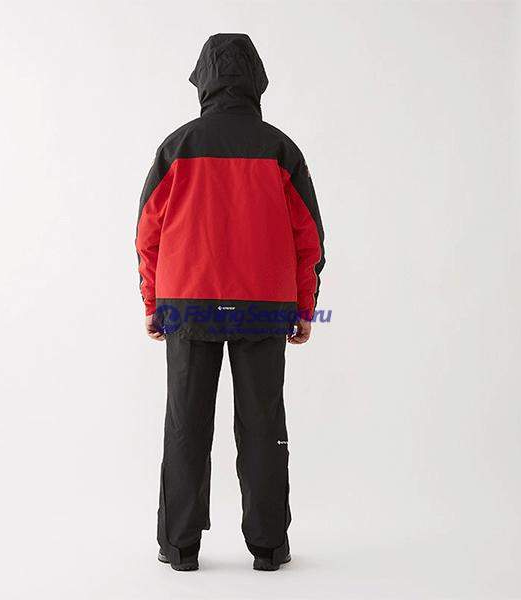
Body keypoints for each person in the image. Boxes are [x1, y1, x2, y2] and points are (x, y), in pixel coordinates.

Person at [135, 33, 325, 572]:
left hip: (187, 303)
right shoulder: (281, 150)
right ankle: (269, 548)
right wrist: (304, 307)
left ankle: (179, 548)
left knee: (185, 426)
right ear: (257, 81)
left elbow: (147, 234)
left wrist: (153, 302)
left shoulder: (178, 147)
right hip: (264, 306)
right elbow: (309, 239)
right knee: (263, 425)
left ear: (202, 80)